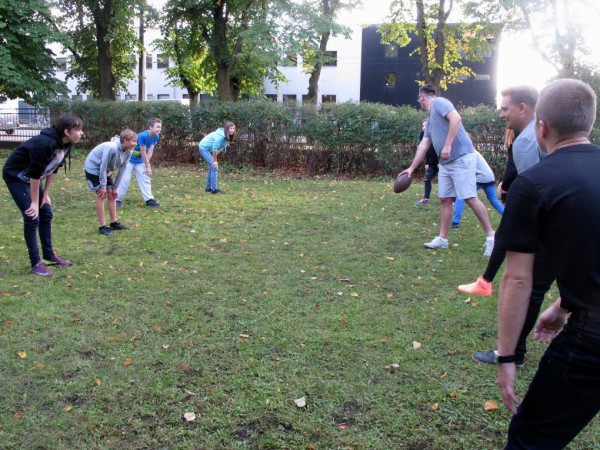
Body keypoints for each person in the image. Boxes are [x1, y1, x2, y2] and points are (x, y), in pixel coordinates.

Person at [495, 79, 600, 449]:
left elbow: (518, 280)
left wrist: (506, 356)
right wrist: (563, 304)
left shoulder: (534, 184)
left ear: (541, 126)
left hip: (592, 340)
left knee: (531, 437)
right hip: (584, 315)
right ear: (589, 122)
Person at [400, 84, 495, 256]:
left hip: (461, 157)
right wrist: (412, 168)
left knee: (469, 197)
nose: (419, 102)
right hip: (445, 164)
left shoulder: (439, 102)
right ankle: (442, 239)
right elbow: (424, 144)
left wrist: (448, 144)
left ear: (422, 97)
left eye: (418, 99)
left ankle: (491, 237)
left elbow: (456, 118)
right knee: (445, 199)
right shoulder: (429, 121)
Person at [2, 112, 84, 276]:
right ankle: (36, 263)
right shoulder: (45, 144)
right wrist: (34, 202)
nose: (82, 133)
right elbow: (35, 174)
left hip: (34, 176)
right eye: (79, 129)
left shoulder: (66, 143)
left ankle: (49, 254)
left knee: (46, 211)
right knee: (32, 216)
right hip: (16, 176)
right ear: (67, 131)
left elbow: (54, 168)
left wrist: (45, 195)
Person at [84, 130, 138, 236]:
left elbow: (122, 170)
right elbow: (102, 167)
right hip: (94, 168)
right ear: (125, 141)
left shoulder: (128, 152)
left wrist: (115, 187)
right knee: (101, 195)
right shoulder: (111, 148)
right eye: (134, 141)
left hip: (105, 170)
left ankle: (114, 223)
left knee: (112, 195)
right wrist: (103, 186)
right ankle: (102, 227)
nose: (135, 144)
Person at [450, 151, 504, 229]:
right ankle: (510, 217)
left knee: (461, 196)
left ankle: (455, 222)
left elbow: (466, 171)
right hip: (490, 177)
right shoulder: (471, 151)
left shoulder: (467, 152)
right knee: (493, 200)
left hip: (481, 177)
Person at [116, 118, 162, 207]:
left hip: (140, 160)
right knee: (125, 179)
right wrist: (148, 166)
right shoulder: (143, 136)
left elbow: (150, 151)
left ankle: (149, 200)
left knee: (145, 177)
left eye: (160, 127)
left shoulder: (156, 136)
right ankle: (117, 200)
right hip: (129, 159)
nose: (159, 129)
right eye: (157, 127)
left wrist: (146, 165)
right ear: (150, 127)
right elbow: (143, 151)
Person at [198, 121, 236, 194]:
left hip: (209, 149)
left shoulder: (228, 137)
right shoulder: (221, 137)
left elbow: (220, 148)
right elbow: (214, 149)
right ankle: (214, 190)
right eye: (230, 128)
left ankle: (208, 188)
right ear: (226, 129)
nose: (232, 130)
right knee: (215, 167)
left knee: (212, 167)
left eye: (233, 128)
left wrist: (213, 158)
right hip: (203, 148)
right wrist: (214, 161)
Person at [415, 119, 439, 206]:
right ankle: (425, 199)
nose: (424, 127)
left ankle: (453, 201)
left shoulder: (437, 135)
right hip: (432, 164)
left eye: (426, 125)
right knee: (427, 178)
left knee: (446, 181)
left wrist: (440, 162)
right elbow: (426, 151)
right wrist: (426, 163)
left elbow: (440, 150)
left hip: (442, 163)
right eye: (422, 126)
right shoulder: (422, 137)